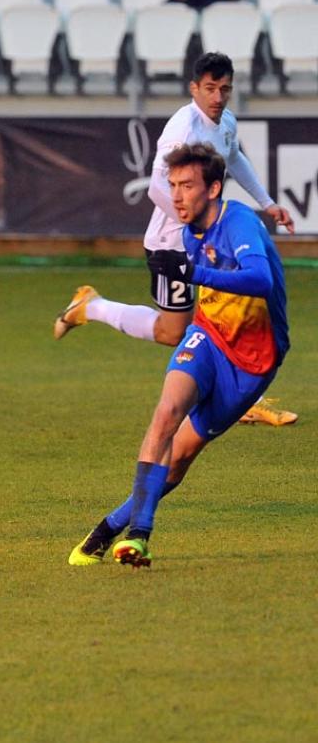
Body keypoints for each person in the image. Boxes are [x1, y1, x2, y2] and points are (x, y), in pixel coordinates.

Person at [69, 143, 288, 567]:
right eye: (173, 186)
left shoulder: (239, 221)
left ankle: (108, 527)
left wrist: (197, 274)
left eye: (187, 185)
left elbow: (260, 279)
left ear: (214, 188)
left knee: (179, 460)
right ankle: (140, 537)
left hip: (251, 364)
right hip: (207, 337)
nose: (177, 196)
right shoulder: (189, 233)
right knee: (166, 413)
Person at [55, 52, 296, 427]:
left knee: (222, 311)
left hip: (203, 239)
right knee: (175, 331)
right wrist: (193, 231)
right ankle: (93, 307)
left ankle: (247, 396)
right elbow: (155, 187)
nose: (218, 98)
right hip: (172, 243)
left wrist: (266, 203)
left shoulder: (225, 121)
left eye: (225, 90)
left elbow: (234, 159)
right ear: (194, 89)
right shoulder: (183, 130)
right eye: (211, 89)